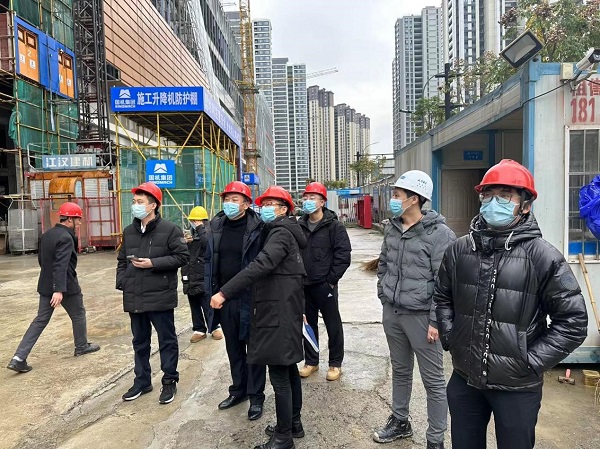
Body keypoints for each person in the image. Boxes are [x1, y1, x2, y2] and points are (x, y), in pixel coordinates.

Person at [434, 159, 588, 449]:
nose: (495, 203)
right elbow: (442, 297)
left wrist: (530, 361)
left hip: (517, 387)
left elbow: (573, 322)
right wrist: (451, 338)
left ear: (525, 205)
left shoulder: (543, 257)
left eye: (505, 196)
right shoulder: (459, 249)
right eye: (488, 195)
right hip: (465, 379)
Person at [211, 185, 306, 449]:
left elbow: (261, 264)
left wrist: (225, 292)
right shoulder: (280, 231)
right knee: (288, 370)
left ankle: (283, 438)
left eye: (270, 205)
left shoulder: (280, 233)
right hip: (283, 308)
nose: (264, 209)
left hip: (278, 311)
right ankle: (293, 424)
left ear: (284, 209)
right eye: (263, 204)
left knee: (279, 376)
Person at [374, 171, 455, 449]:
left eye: (397, 195)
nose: (393, 199)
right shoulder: (392, 228)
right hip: (393, 313)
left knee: (433, 381)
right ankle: (400, 421)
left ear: (414, 199)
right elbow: (383, 264)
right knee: (400, 370)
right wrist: (384, 296)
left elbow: (445, 282)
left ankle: (435, 440)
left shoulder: (439, 234)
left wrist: (436, 320)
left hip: (422, 318)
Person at [116, 182, 189, 404]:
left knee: (167, 340)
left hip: (160, 295)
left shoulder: (170, 230)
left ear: (153, 205)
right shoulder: (129, 231)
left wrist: (153, 263)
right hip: (135, 295)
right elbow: (121, 260)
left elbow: (182, 257)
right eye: (134, 201)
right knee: (139, 342)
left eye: (140, 202)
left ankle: (169, 381)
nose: (135, 205)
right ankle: (142, 381)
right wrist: (123, 282)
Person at [7, 202, 100, 373]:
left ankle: (18, 358)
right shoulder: (66, 237)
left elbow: (42, 260)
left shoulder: (47, 234)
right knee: (78, 314)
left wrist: (51, 284)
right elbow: (61, 265)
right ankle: (81, 346)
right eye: (78, 220)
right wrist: (58, 290)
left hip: (46, 284)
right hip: (65, 286)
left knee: (40, 320)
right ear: (70, 219)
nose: (79, 223)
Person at [205, 181, 267, 420]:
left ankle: (256, 397)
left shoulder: (259, 228)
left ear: (246, 204)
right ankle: (238, 390)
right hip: (224, 298)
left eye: (235, 199)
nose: (229, 203)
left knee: (255, 351)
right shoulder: (216, 226)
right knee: (233, 348)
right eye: (226, 199)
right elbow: (210, 261)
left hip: (251, 298)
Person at [297, 182, 351, 381]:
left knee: (332, 324)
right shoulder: (299, 226)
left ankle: (335, 363)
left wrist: (330, 281)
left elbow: (343, 255)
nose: (308, 201)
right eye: (306, 198)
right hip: (304, 285)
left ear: (322, 202)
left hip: (324, 285)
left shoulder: (334, 227)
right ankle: (311, 361)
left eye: (312, 198)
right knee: (308, 324)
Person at [181, 206, 223, 342]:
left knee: (207, 303)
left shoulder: (208, 233)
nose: (194, 223)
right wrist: (184, 242)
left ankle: (215, 326)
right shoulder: (191, 234)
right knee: (194, 304)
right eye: (192, 220)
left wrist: (200, 228)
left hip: (203, 275)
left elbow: (209, 245)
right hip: (189, 274)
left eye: (196, 220)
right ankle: (199, 329)